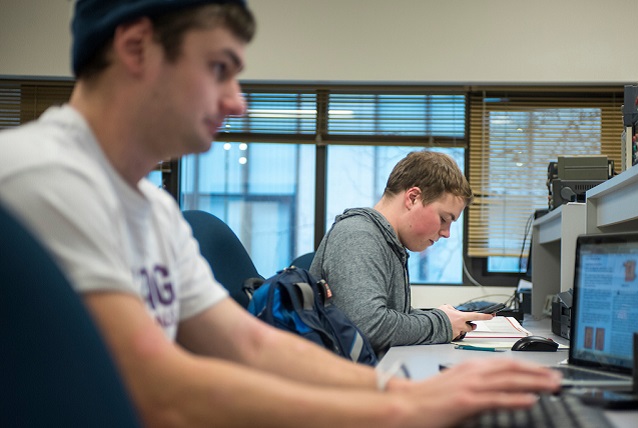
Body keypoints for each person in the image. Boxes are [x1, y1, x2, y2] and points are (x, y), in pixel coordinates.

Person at [0, 1, 560, 426]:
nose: (238, 100)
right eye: (219, 69)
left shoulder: (151, 209)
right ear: (137, 47)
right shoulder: (42, 180)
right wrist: (400, 410)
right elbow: (155, 386)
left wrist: (404, 393)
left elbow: (248, 343)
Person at [310, 151, 493, 355]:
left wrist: (445, 319)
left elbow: (392, 315)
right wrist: (441, 323)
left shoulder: (387, 241)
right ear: (413, 198)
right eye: (444, 218)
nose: (446, 233)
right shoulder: (358, 236)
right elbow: (368, 327)